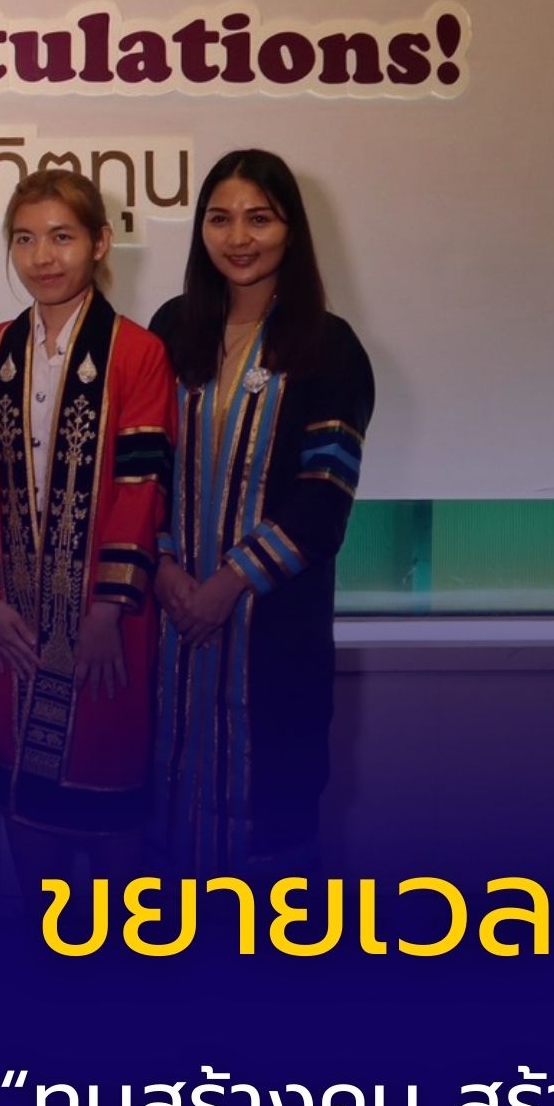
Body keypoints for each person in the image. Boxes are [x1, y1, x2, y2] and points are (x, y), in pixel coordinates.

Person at [148, 148, 375, 868]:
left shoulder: (328, 347)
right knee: (164, 822)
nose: (238, 238)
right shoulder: (172, 328)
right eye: (220, 219)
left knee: (272, 836)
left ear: (291, 230)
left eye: (259, 219)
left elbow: (324, 497)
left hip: (273, 631)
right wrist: (162, 566)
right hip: (170, 624)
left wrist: (226, 585)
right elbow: (143, 467)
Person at [0, 170, 175, 885]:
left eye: (61, 237)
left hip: (107, 623)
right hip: (10, 620)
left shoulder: (138, 353)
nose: (42, 257)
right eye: (24, 239)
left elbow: (142, 486)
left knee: (110, 803)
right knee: (25, 802)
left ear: (100, 243)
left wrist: (107, 611)